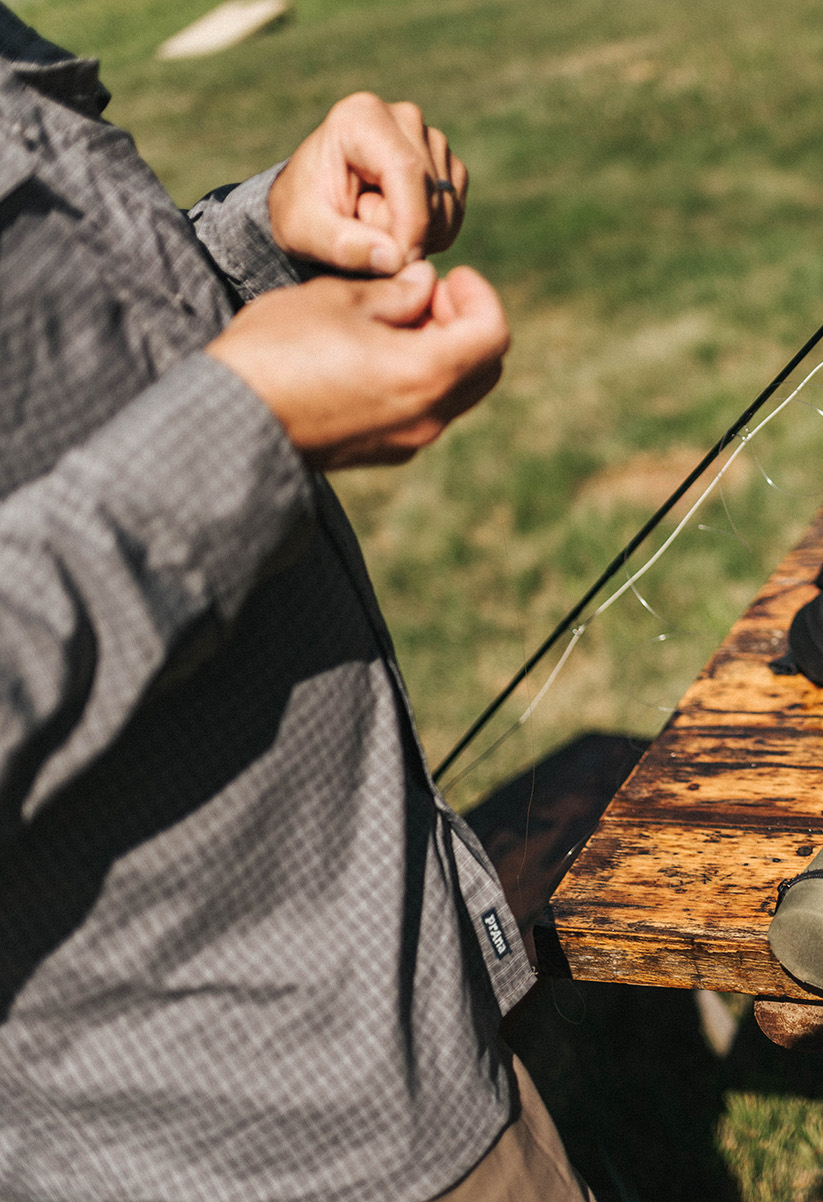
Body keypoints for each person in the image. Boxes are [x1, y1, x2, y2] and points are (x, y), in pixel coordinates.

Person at [0, 7, 592, 1200]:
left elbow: (54, 370)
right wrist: (243, 426)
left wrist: (260, 243)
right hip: (220, 1132)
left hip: (397, 1007)